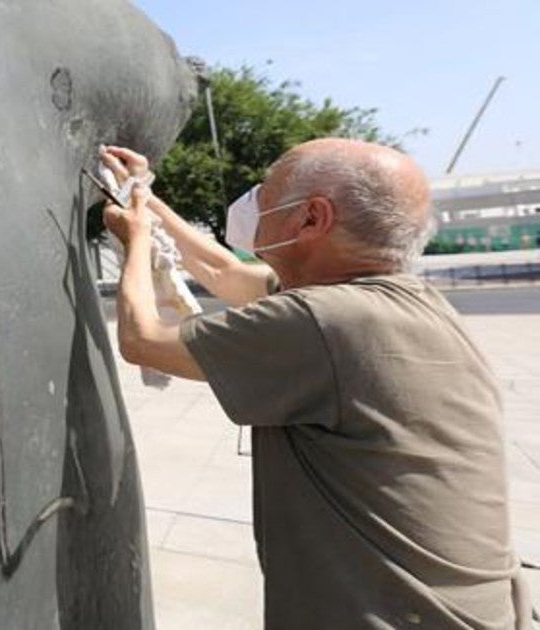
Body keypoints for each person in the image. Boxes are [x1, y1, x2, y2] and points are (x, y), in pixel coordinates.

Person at [99, 139, 533, 629]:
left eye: (268, 193)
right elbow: (226, 272)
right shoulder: (390, 302)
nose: (254, 204)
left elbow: (144, 339)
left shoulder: (326, 321)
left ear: (310, 219)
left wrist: (136, 243)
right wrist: (143, 194)